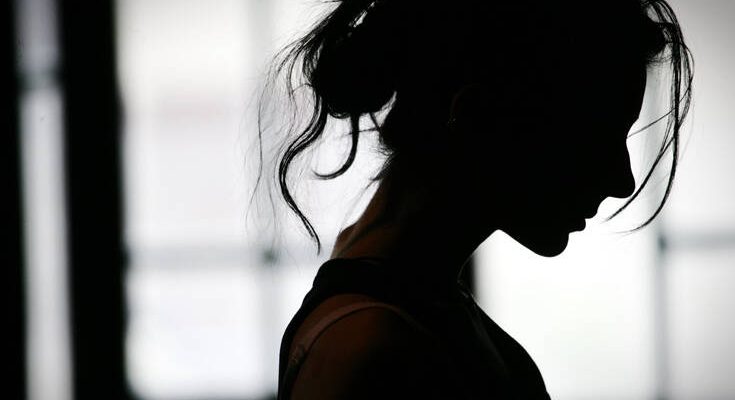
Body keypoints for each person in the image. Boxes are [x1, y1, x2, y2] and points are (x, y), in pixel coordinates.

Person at [255, 0, 693, 398]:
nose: (622, 180)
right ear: (478, 118)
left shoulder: (412, 307)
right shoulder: (373, 352)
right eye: (594, 141)